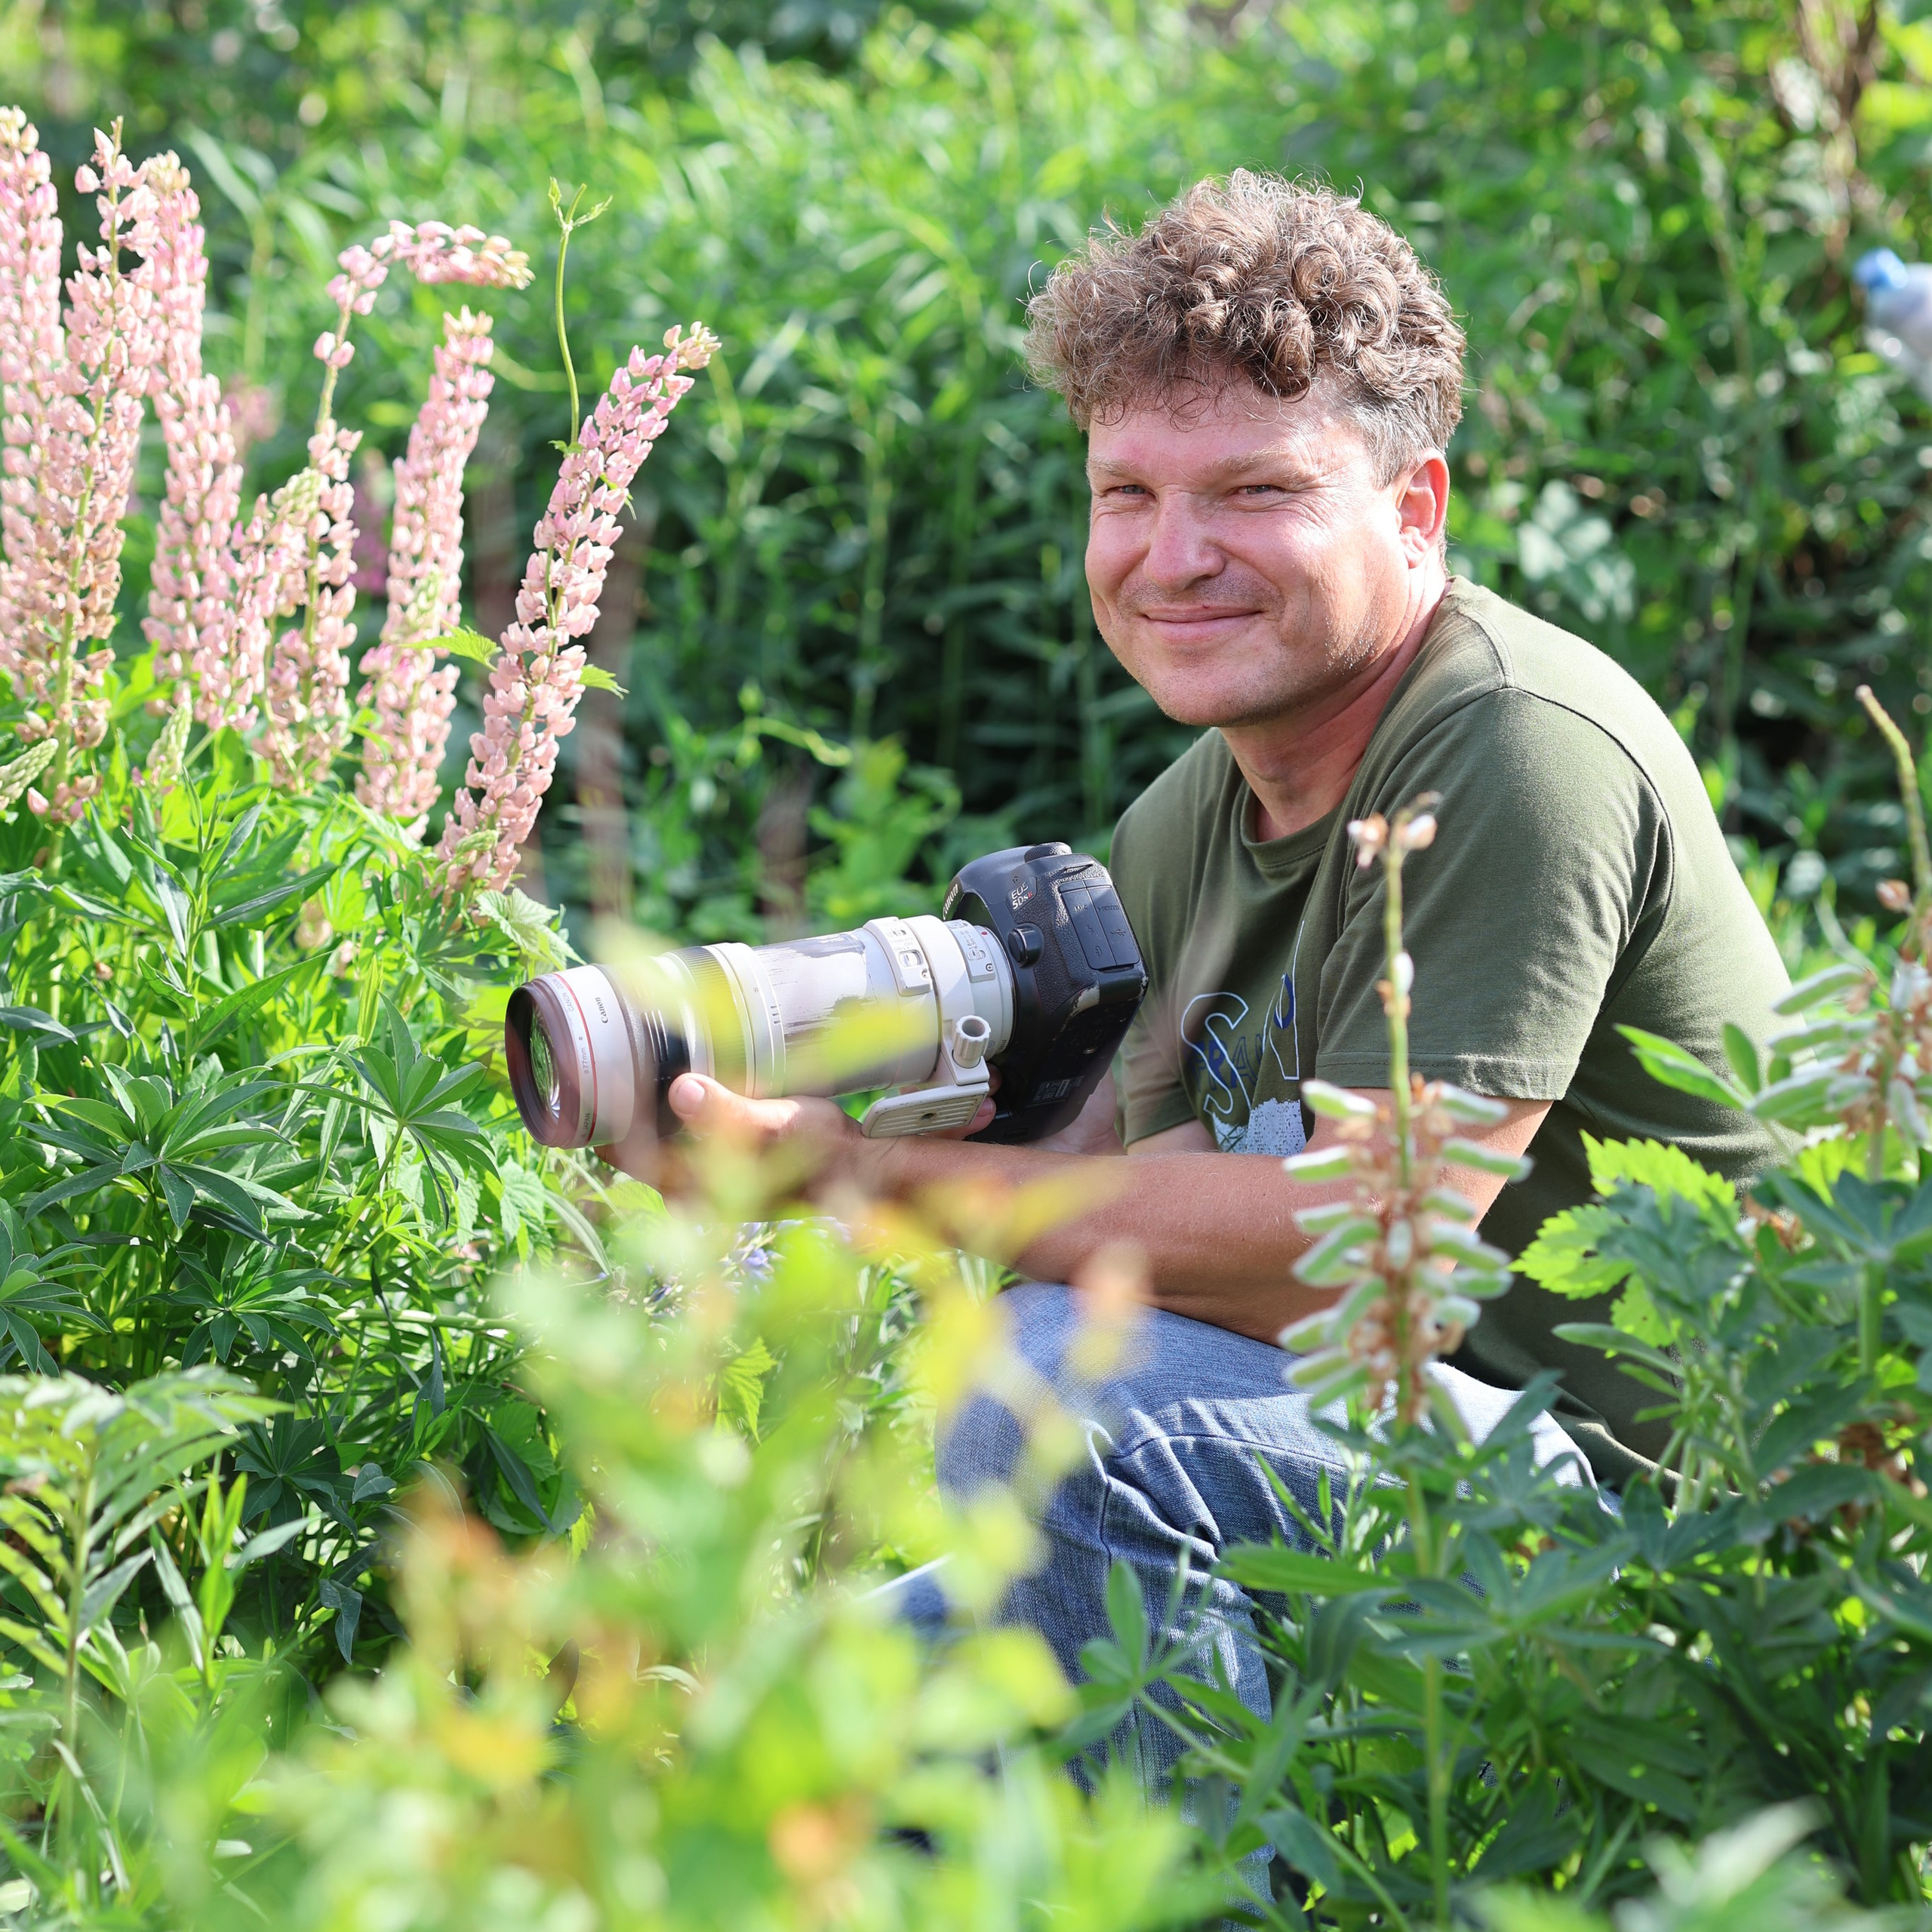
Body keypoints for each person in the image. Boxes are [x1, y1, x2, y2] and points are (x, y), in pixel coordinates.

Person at [652, 171, 1789, 1750]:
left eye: (1252, 490)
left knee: (1052, 1383)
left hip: (1667, 1549)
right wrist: (747, 1093)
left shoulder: (1517, 743)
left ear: (1414, 508)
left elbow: (1368, 1237)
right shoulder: (1192, 809)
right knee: (764, 1735)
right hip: (1377, 1473)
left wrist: (865, 1185)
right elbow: (1118, 1177)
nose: (1171, 555)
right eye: (1127, 493)